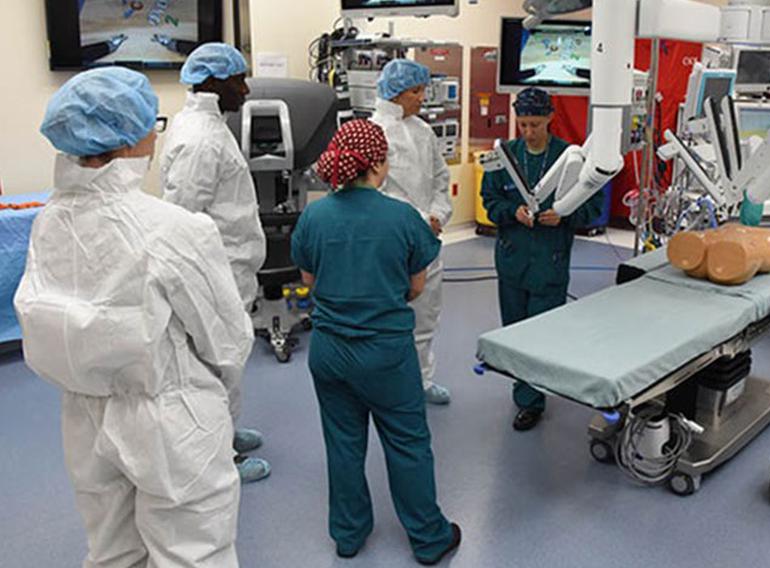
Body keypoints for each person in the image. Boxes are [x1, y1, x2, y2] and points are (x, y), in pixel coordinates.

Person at [16, 67, 248, 567]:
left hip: (84, 417)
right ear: (128, 141)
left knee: (112, 552)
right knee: (193, 554)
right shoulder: (176, 229)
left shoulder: (49, 221)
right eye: (153, 125)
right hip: (171, 422)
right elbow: (227, 342)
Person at [291, 120, 461, 565]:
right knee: (406, 443)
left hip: (329, 352)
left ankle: (348, 535)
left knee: (343, 443)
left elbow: (309, 280)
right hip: (385, 353)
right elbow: (417, 286)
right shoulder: (402, 216)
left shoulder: (314, 215)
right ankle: (428, 538)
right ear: (379, 163)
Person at [160, 42, 270, 483]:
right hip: (216, 267)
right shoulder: (201, 137)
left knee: (230, 355)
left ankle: (225, 430)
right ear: (211, 82)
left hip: (230, 263)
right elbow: (183, 214)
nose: (244, 89)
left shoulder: (208, 123)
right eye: (237, 80)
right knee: (219, 359)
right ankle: (220, 454)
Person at [481, 87, 604, 432]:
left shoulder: (572, 158)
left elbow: (593, 207)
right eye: (523, 124)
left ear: (551, 117)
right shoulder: (504, 157)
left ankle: (536, 397)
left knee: (542, 337)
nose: (529, 131)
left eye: (535, 124)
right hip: (512, 261)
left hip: (549, 262)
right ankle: (526, 398)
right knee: (517, 335)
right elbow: (490, 202)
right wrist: (512, 211)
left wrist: (564, 215)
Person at [371, 59, 453, 405]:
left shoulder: (423, 130)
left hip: (427, 239)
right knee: (389, 319)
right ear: (395, 93)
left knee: (426, 316)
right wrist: (419, 219)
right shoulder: (374, 133)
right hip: (391, 244)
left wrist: (437, 214)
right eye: (416, 91)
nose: (422, 97)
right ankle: (388, 386)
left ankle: (421, 381)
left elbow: (440, 178)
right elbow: (375, 192)